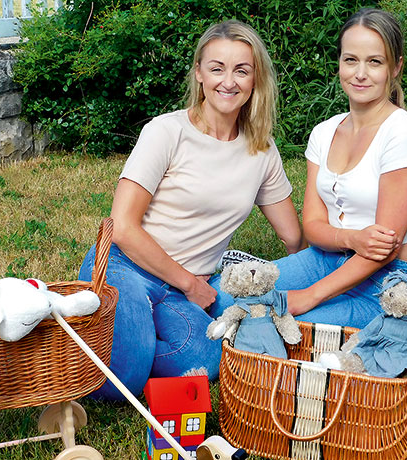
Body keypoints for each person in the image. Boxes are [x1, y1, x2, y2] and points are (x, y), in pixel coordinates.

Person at [79, 20, 302, 399]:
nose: (228, 82)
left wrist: (333, 255)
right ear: (199, 73)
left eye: (241, 70)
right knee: (125, 379)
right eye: (217, 68)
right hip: (126, 266)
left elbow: (293, 235)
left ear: (255, 79)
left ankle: (116, 349)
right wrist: (189, 282)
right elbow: (121, 228)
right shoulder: (166, 132)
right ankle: (104, 353)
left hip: (181, 292)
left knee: (207, 358)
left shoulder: (262, 150)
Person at [214, 8, 407, 331]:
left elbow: (384, 250)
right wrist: (351, 237)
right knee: (221, 297)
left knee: (269, 323)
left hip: (388, 281)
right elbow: (313, 226)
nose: (360, 73)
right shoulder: (324, 132)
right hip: (326, 258)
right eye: (350, 60)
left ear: (395, 67)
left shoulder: (404, 134)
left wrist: (308, 296)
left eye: (374, 62)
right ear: (339, 63)